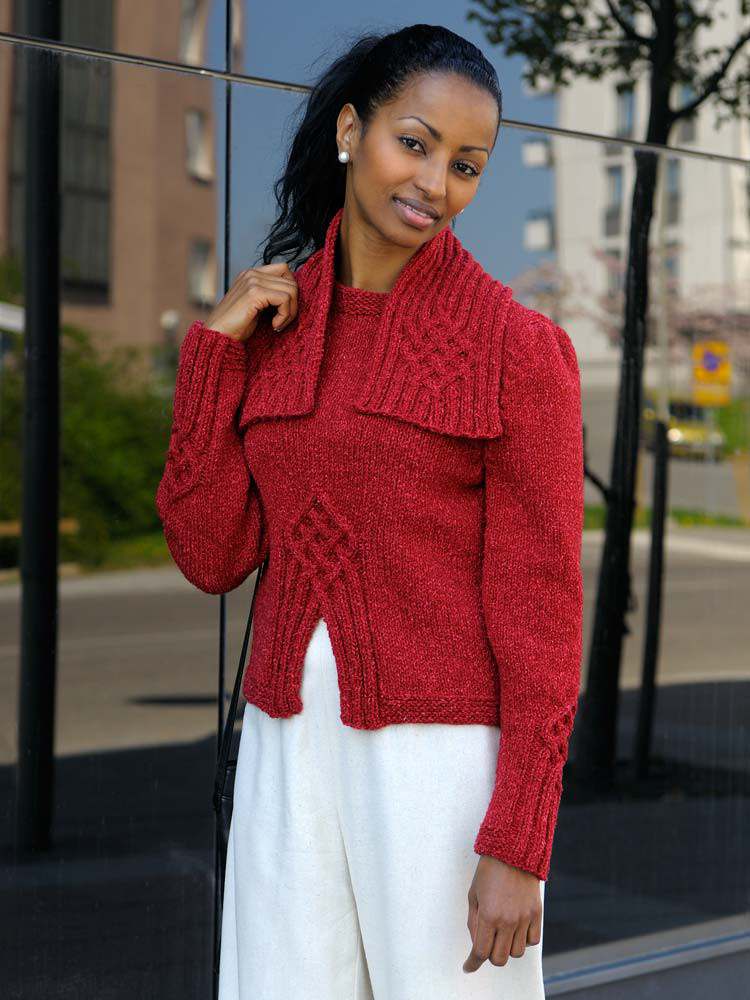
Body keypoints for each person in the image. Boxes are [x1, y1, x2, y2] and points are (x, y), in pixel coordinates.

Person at [155, 22, 584, 1000]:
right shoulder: (273, 326)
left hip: (438, 766)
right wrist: (213, 356)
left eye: (466, 165)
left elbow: (543, 614)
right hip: (283, 745)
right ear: (352, 131)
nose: (435, 183)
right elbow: (212, 554)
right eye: (415, 143)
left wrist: (519, 839)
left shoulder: (515, 348)